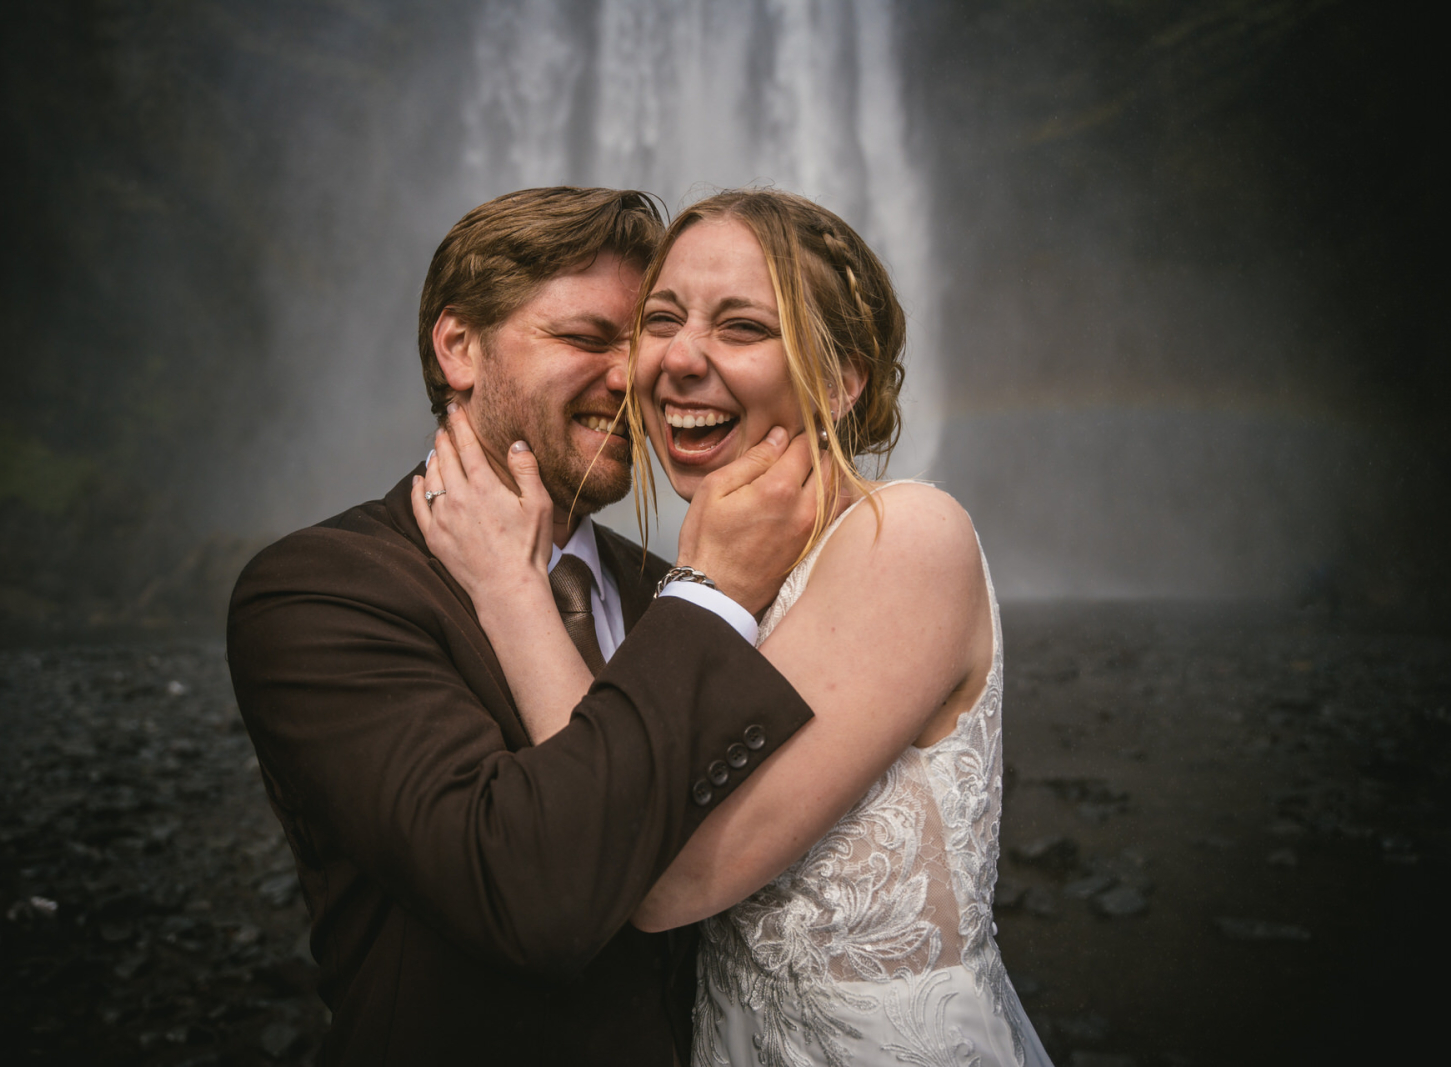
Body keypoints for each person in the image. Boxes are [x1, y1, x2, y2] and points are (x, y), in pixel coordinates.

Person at [417, 189, 1054, 1067]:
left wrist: (508, 586)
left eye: (742, 327)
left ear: (840, 378)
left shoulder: (906, 536)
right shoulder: (728, 584)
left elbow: (651, 870)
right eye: (663, 319)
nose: (678, 359)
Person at [226, 187, 828, 1067]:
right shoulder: (319, 593)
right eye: (586, 339)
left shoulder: (671, 591)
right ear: (459, 346)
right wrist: (716, 592)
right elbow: (532, 897)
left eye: (644, 341)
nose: (637, 377)